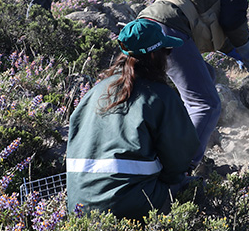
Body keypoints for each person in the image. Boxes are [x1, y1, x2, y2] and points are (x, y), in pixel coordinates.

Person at [137, 0, 249, 169]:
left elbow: (213, 23)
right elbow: (233, 21)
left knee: (208, 74)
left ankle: (173, 140)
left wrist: (236, 53)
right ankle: (178, 171)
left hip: (146, 25)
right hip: (170, 28)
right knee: (207, 104)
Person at [66, 18, 200, 219]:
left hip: (79, 205)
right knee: (196, 190)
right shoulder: (160, 95)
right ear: (155, 55)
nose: (168, 56)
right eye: (167, 51)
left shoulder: (94, 92)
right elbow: (178, 161)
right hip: (129, 205)